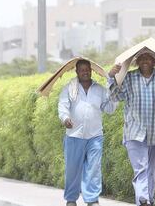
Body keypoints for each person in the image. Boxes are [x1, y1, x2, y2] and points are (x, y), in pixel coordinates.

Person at [108, 49, 155, 206]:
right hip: (135, 131)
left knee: (153, 171)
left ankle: (149, 200)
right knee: (140, 169)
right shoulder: (129, 77)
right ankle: (144, 200)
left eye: (149, 58)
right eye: (141, 58)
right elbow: (115, 96)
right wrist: (111, 77)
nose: (145, 60)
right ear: (136, 61)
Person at [58, 59, 117, 206]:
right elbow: (63, 106)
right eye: (82, 69)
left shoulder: (99, 89)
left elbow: (109, 109)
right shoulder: (69, 88)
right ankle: (71, 200)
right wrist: (65, 119)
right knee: (72, 170)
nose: (85, 72)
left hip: (95, 136)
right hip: (74, 136)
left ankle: (92, 199)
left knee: (93, 168)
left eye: (87, 69)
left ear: (91, 71)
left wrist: (114, 94)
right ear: (77, 72)